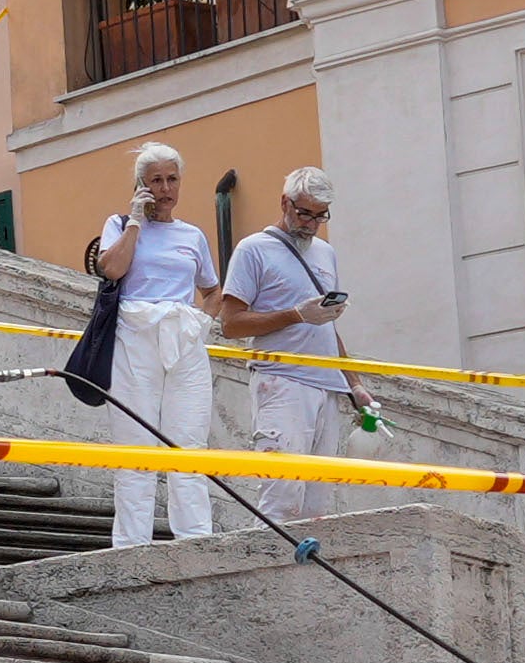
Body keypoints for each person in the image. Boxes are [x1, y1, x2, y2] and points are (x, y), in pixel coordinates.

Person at [89, 138, 218, 546]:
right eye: (156, 180)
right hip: (134, 336)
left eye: (172, 179)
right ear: (140, 186)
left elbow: (213, 290)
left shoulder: (193, 236)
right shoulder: (119, 224)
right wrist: (133, 221)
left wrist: (202, 323)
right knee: (135, 445)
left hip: (184, 337)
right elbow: (111, 269)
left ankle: (196, 540)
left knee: (189, 444)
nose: (165, 189)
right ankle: (131, 546)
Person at [213, 165, 352, 515]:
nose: (311, 223)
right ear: (284, 203)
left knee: (318, 506)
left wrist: (356, 384)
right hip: (281, 382)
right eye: (304, 213)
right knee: (282, 499)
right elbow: (230, 324)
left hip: (327, 385)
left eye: (320, 216)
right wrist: (296, 314)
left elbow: (327, 327)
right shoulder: (253, 250)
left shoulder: (325, 252)